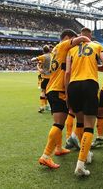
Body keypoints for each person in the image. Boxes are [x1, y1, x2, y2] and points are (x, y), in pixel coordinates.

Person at [65, 28, 103, 176]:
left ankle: (85, 151)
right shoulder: (97, 46)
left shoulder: (71, 50)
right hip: (89, 84)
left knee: (79, 122)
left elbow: (67, 72)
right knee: (89, 126)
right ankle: (80, 163)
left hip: (73, 86)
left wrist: (67, 94)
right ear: (90, 36)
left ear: (79, 36)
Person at [38, 29, 90, 169]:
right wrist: (90, 43)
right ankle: (46, 156)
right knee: (58, 124)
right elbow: (81, 39)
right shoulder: (63, 45)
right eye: (72, 39)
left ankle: (59, 148)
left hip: (53, 88)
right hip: (58, 89)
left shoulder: (56, 49)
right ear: (67, 38)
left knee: (60, 121)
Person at [31, 45, 51, 113]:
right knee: (49, 92)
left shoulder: (43, 56)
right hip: (52, 77)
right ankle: (48, 106)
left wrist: (38, 67)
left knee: (43, 91)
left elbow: (32, 60)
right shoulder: (52, 56)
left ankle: (42, 106)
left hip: (45, 76)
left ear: (43, 51)